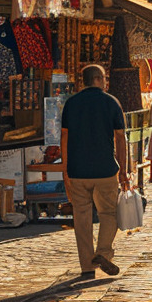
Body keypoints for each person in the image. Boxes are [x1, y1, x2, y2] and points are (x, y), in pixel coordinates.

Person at [59, 63, 128, 279]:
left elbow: (64, 138)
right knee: (109, 214)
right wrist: (124, 170)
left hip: (78, 171)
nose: (106, 82)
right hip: (105, 169)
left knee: (82, 218)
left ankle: (87, 268)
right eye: (105, 78)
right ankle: (103, 253)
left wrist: (65, 170)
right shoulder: (111, 102)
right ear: (98, 79)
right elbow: (120, 138)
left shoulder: (71, 104)